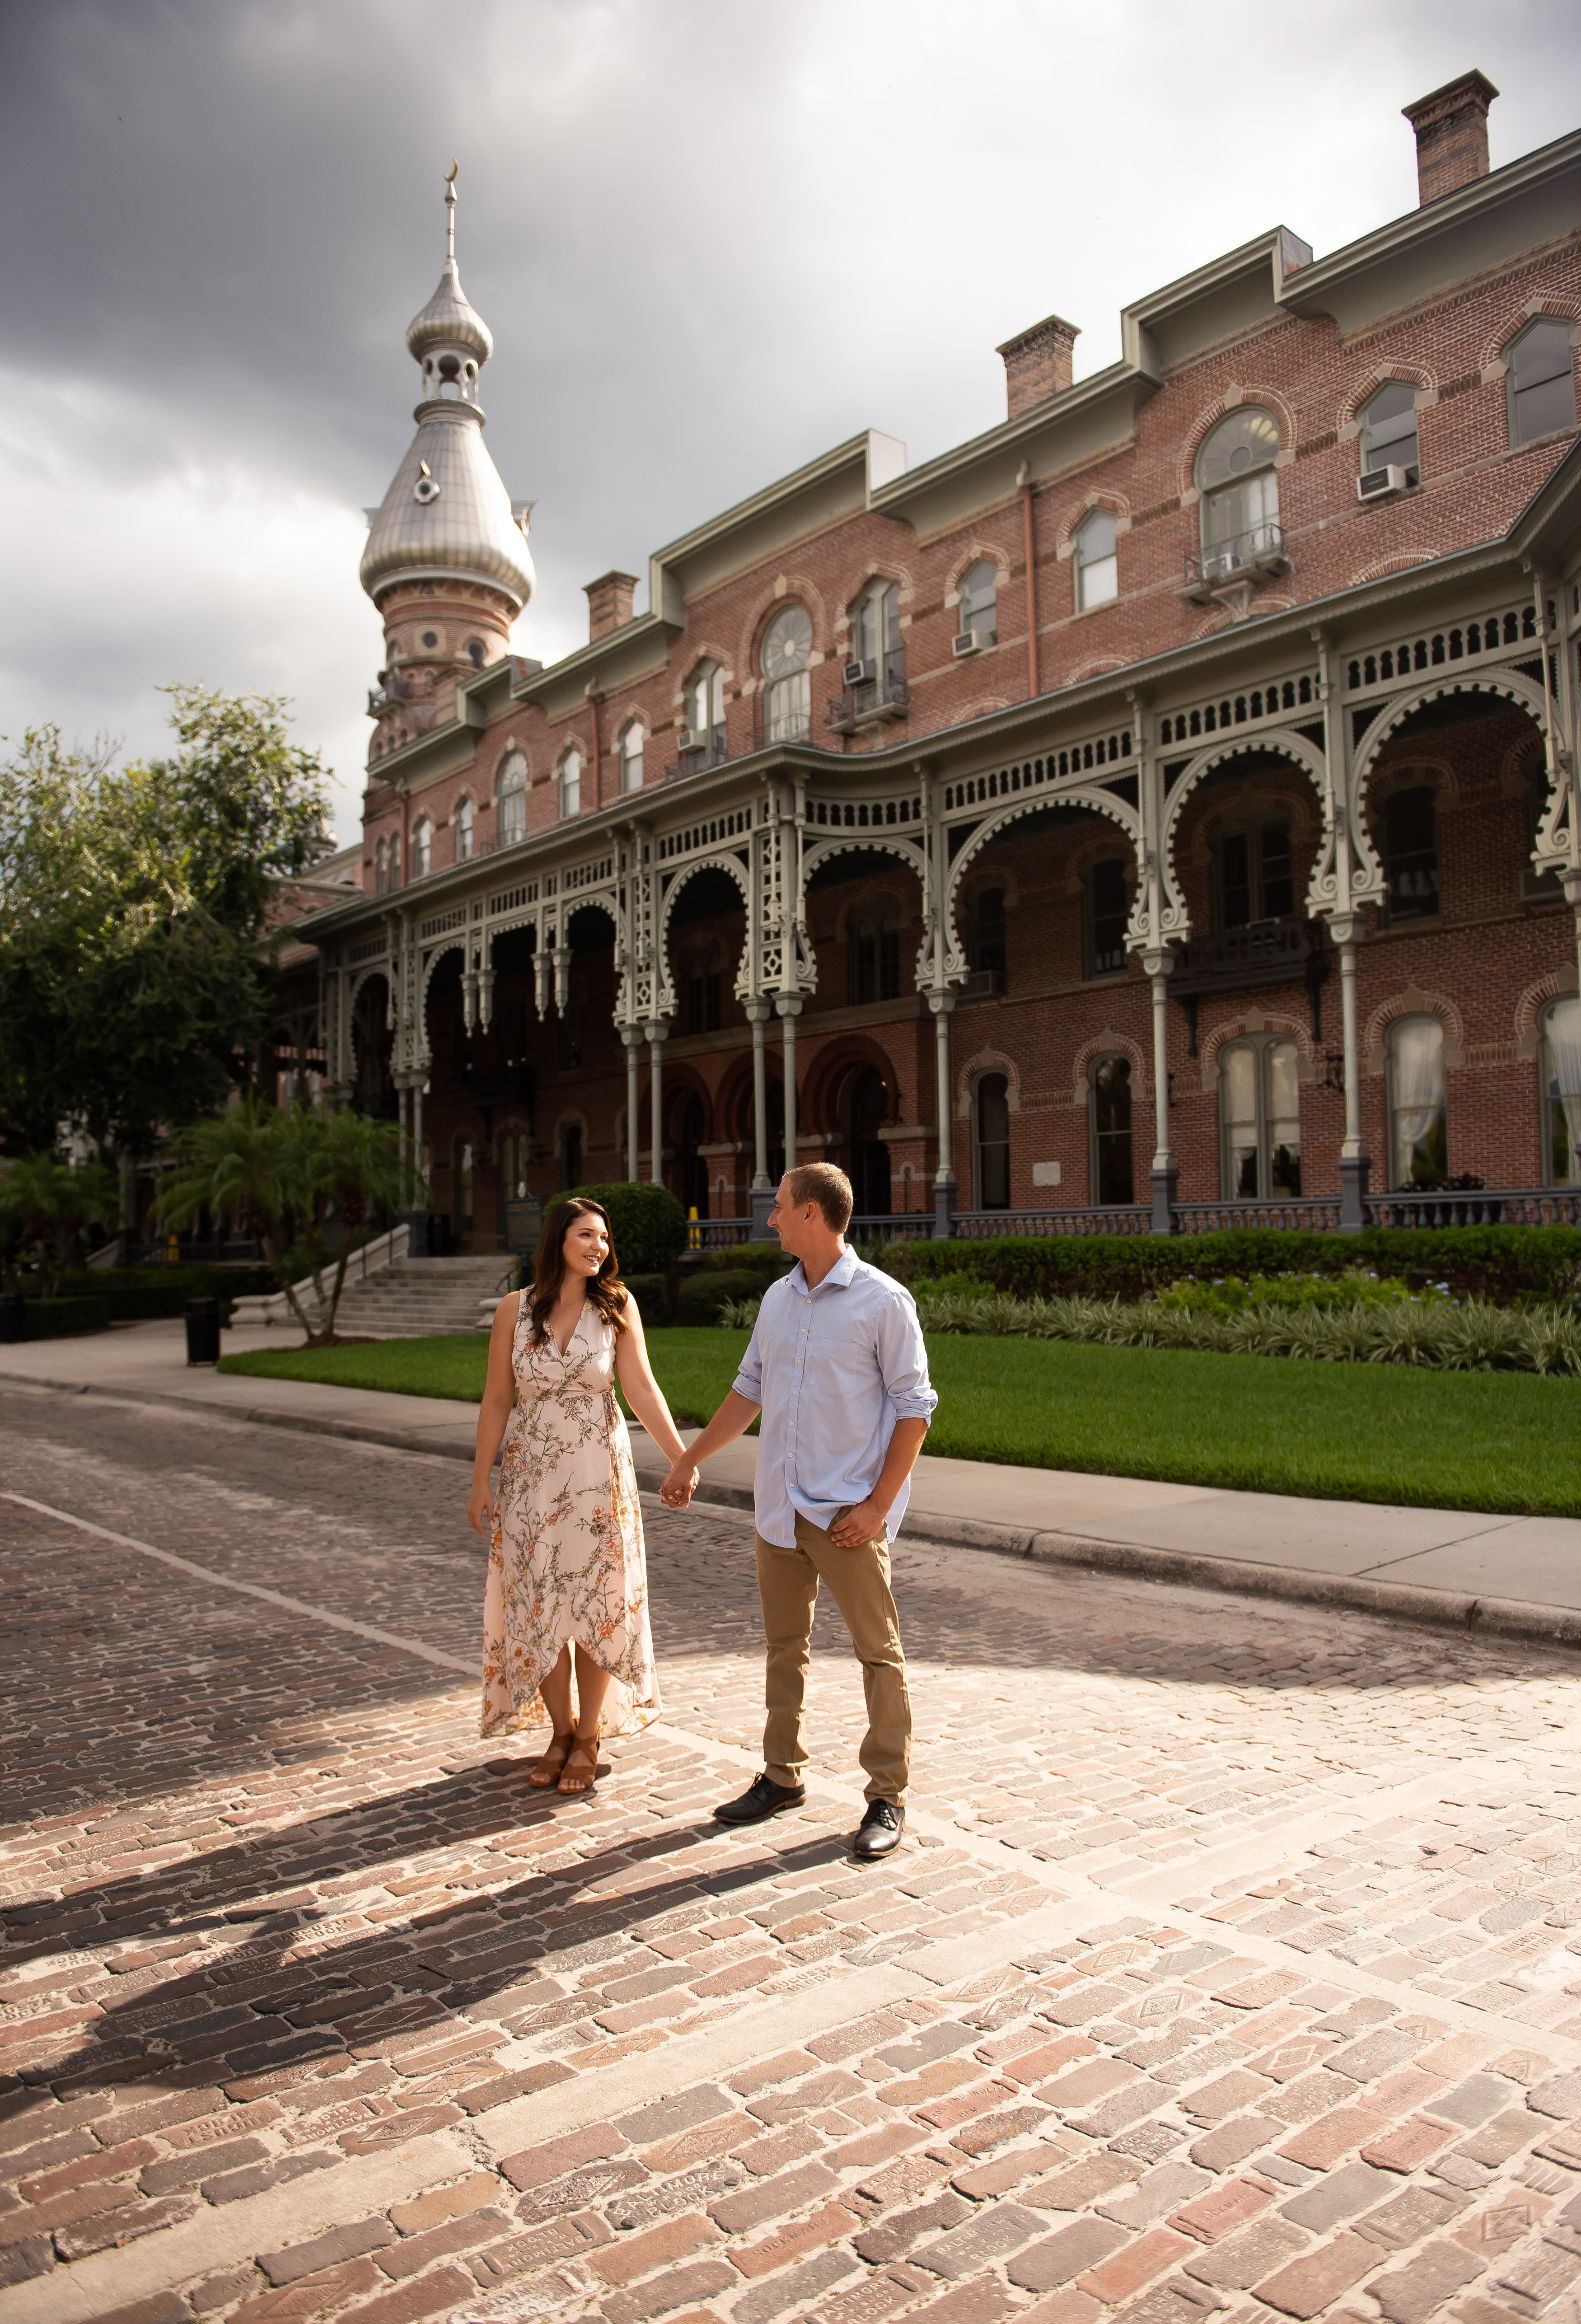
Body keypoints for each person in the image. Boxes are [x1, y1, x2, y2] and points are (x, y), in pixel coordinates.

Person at [661, 1163, 936, 1860]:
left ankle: (887, 1794)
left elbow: (914, 1409)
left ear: (813, 1213)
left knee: (879, 1653)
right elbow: (747, 1392)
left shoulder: (883, 1301)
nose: (772, 1217)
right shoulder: (779, 1299)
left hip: (845, 1513)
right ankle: (782, 1775)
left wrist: (877, 1505)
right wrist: (692, 1458)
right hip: (778, 1507)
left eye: (781, 1207)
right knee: (785, 1649)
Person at [468, 1197, 691, 1796]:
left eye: (604, 1237)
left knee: (595, 1601)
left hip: (598, 1479)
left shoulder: (615, 1305)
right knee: (537, 1605)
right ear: (558, 1239)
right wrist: (479, 1478)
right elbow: (496, 1398)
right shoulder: (514, 1310)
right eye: (586, 1234)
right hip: (529, 1482)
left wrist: (681, 1457)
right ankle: (560, 1730)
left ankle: (589, 1733)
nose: (599, 1246)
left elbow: (642, 1386)